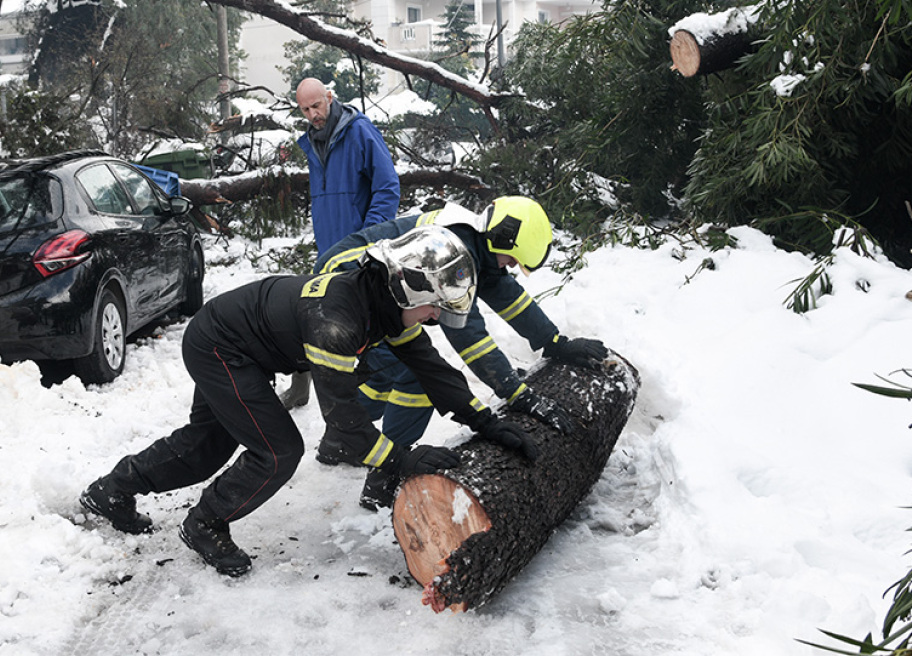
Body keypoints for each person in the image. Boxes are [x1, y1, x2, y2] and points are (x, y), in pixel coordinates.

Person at [78, 226, 537, 577]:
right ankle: (204, 523)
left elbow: (434, 371)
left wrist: (486, 422)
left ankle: (112, 491)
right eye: (434, 306)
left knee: (207, 444)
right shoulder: (337, 322)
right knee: (277, 452)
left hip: (240, 345)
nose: (436, 316)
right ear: (410, 288)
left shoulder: (381, 301)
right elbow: (346, 429)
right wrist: (403, 459)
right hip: (220, 345)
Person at [313, 196, 609, 511]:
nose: (511, 267)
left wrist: (553, 341)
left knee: (386, 369)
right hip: (341, 285)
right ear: (501, 238)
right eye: (511, 260)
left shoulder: (479, 242)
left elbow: (511, 299)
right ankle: (384, 476)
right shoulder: (455, 250)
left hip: (365, 288)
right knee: (415, 376)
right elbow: (469, 337)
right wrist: (516, 393)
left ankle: (338, 441)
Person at [280, 78, 401, 409]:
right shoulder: (311, 142)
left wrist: (368, 238)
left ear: (330, 97)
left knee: (371, 325)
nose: (313, 114)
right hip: (330, 252)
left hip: (361, 252)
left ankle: (384, 393)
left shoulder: (359, 132)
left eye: (316, 105)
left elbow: (388, 187)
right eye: (305, 109)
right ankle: (304, 388)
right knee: (318, 317)